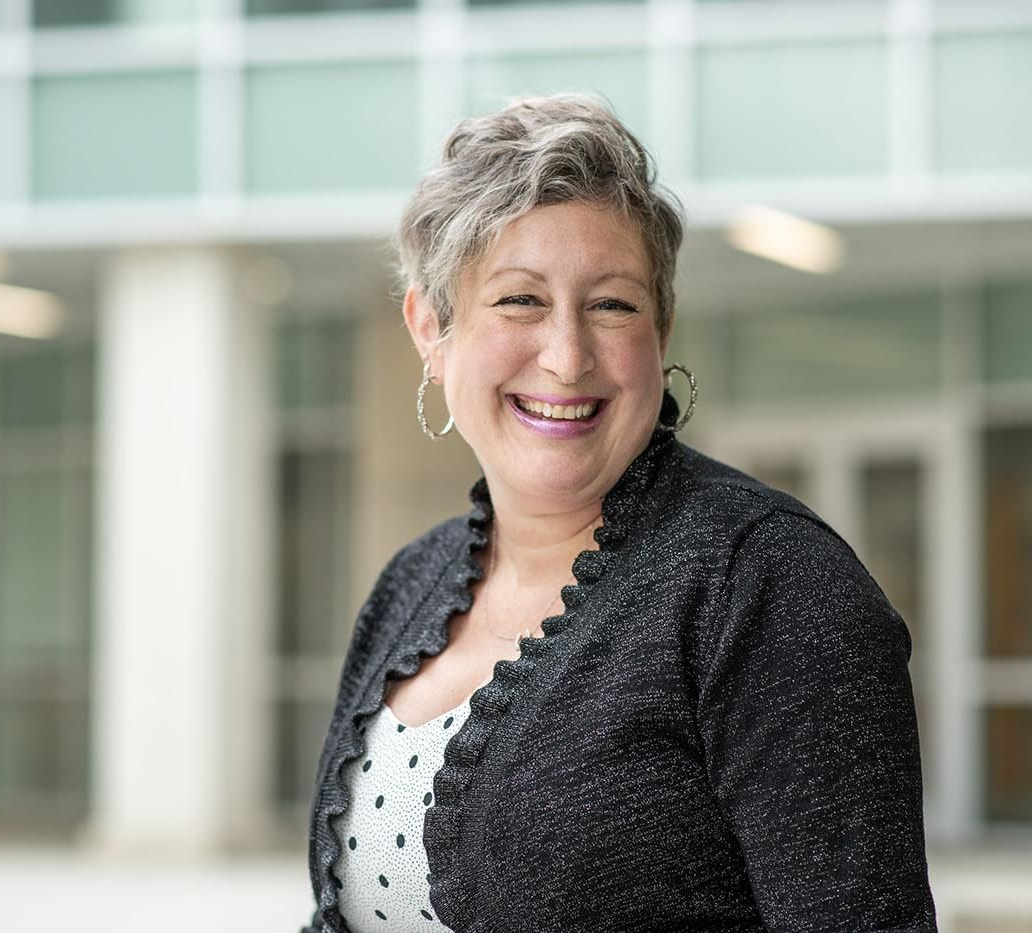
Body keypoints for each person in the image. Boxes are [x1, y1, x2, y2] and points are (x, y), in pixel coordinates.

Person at [300, 93, 937, 932]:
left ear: (662, 329)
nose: (567, 357)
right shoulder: (411, 583)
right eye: (520, 300)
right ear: (431, 327)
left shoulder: (767, 585)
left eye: (612, 304)